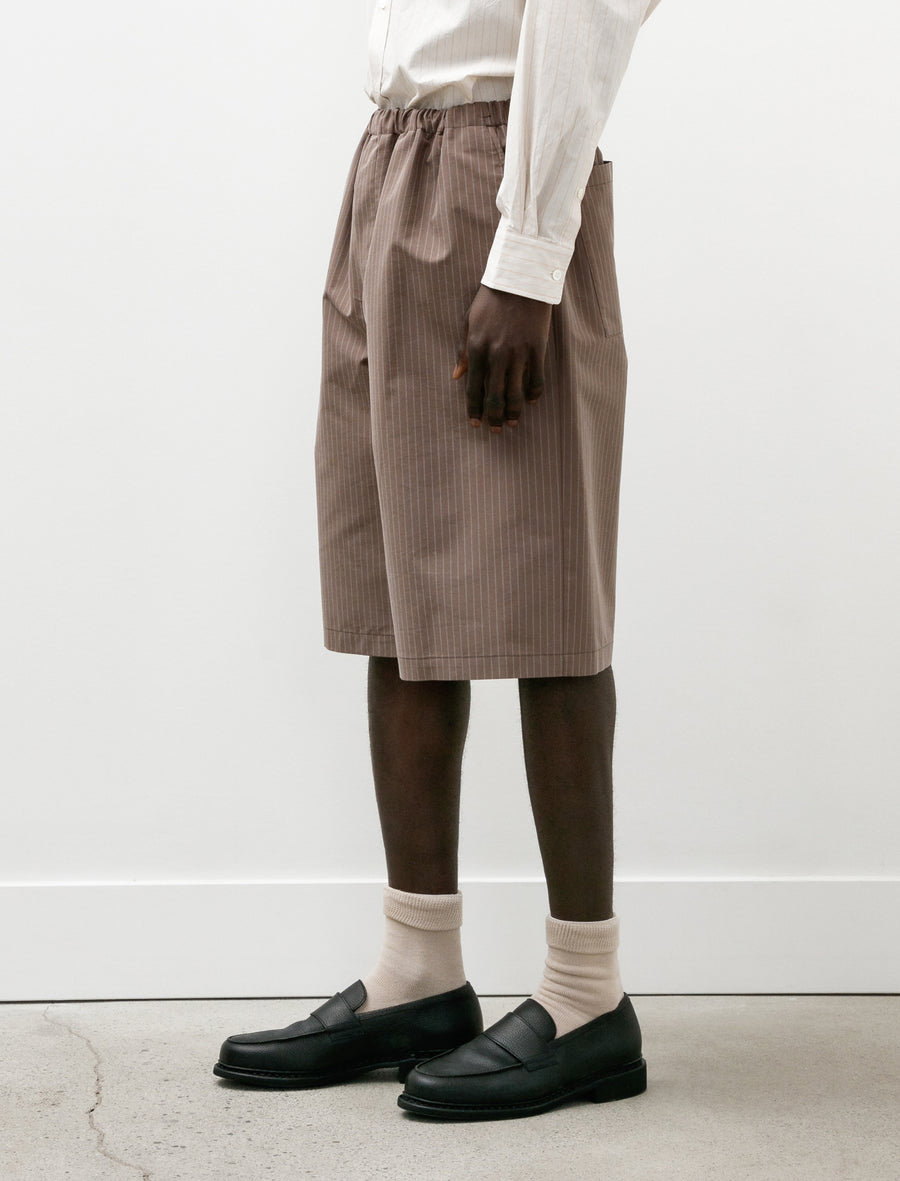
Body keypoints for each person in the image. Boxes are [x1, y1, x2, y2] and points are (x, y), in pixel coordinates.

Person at [214, 0, 664, 1121]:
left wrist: (530, 256)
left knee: (548, 583)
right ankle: (419, 966)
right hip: (392, 160)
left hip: (499, 177)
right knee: (394, 588)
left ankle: (586, 991)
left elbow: (587, 15)